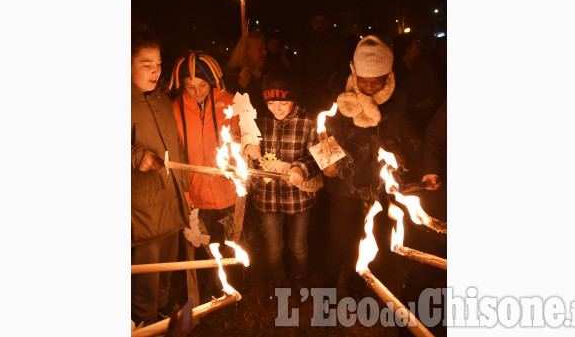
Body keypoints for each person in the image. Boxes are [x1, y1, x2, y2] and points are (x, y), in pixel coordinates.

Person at [321, 35, 421, 296]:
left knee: (367, 235)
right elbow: (322, 130)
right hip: (344, 183)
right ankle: (327, 288)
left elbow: (408, 138)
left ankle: (358, 283)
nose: (367, 87)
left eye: (375, 81)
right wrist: (327, 161)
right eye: (362, 80)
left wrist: (417, 167)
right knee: (337, 238)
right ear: (354, 73)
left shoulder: (397, 101)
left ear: (388, 77)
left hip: (379, 185)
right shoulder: (341, 97)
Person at [170, 51, 241, 300]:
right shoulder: (175, 109)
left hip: (228, 190)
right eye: (190, 86)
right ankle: (212, 287)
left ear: (212, 81)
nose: (197, 91)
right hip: (197, 192)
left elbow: (244, 136)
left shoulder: (229, 102)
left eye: (202, 85)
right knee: (205, 245)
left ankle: (236, 286)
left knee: (232, 242)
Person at [244, 70, 322, 297]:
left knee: (298, 245)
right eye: (271, 102)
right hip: (267, 196)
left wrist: (301, 167)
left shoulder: (309, 122)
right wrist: (249, 151)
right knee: (273, 247)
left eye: (283, 102)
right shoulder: (258, 122)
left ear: (294, 99)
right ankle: (277, 281)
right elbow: (243, 150)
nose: (277, 109)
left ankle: (300, 277)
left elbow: (320, 156)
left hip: (297, 197)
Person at [131, 28, 190, 326]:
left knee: (166, 269)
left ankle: (164, 314)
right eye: (146, 64)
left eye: (158, 63)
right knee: (147, 278)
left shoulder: (162, 100)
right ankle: (144, 325)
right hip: (143, 208)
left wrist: (184, 188)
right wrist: (137, 157)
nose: (155, 71)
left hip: (170, 200)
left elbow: (175, 148)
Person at [224, 31, 268, 112]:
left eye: (264, 48)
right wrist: (241, 86)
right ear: (247, 51)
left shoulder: (266, 73)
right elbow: (230, 107)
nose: (265, 52)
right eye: (260, 48)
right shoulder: (233, 75)